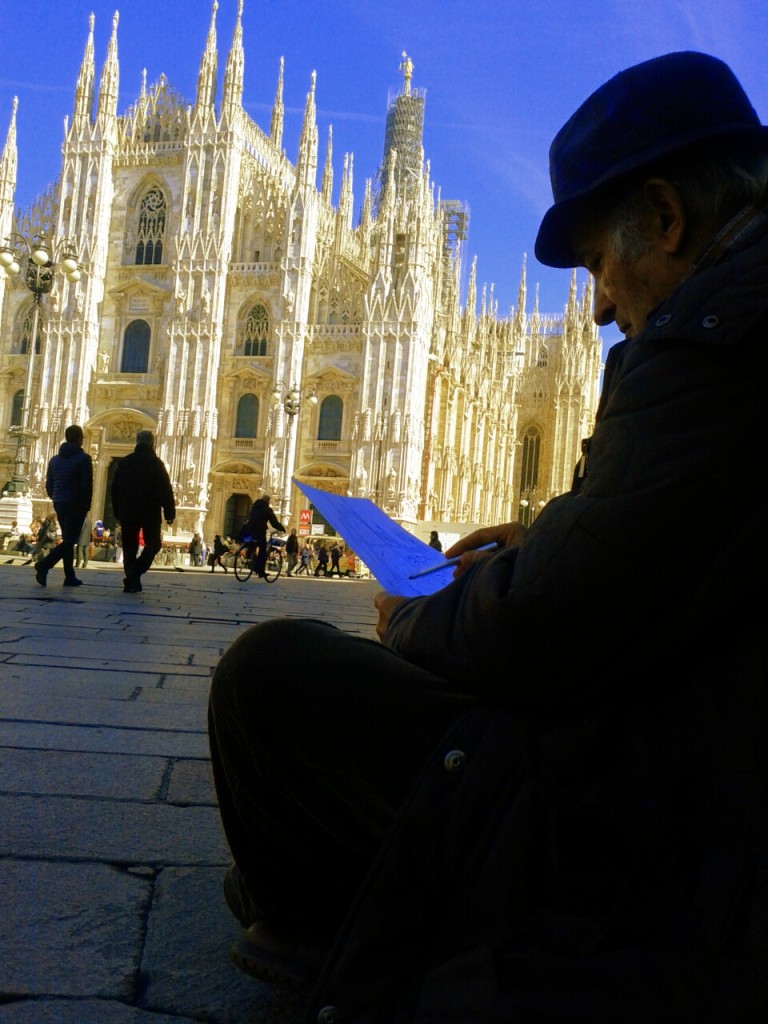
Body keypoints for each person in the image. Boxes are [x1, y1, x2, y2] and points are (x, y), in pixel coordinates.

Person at [207, 52, 768, 1019]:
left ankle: (348, 920)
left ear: (669, 219)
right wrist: (549, 534)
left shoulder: (719, 340)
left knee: (271, 676)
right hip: (688, 771)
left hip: (662, 835)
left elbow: (551, 626)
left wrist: (419, 609)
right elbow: (666, 547)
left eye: (597, 262)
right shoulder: (731, 320)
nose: (597, 305)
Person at [111, 429, 176, 594]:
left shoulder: (125, 462)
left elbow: (115, 489)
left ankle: (131, 577)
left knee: (129, 547)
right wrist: (169, 512)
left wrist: (117, 511)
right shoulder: (156, 464)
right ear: (152, 443)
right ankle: (134, 575)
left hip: (128, 511)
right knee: (154, 544)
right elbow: (165, 490)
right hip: (150, 512)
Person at [34, 425, 93, 587]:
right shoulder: (84, 459)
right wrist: (86, 505)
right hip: (76, 504)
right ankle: (44, 565)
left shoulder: (54, 460)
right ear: (80, 439)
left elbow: (49, 485)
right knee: (70, 541)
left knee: (68, 538)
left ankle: (69, 576)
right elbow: (87, 485)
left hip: (60, 503)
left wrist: (56, 498)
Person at [239, 494, 285, 579]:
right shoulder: (267, 509)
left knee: (253, 544)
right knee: (263, 549)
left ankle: (250, 554)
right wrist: (282, 528)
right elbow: (274, 523)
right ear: (268, 501)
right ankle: (260, 570)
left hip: (249, 530)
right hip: (259, 531)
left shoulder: (254, 507)